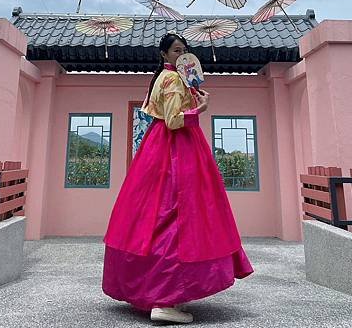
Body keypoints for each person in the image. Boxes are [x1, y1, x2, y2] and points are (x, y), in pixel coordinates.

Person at [102, 33, 254, 324]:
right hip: (175, 149)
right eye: (175, 50)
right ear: (163, 55)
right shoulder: (172, 80)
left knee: (155, 216)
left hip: (157, 148)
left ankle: (158, 292)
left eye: (184, 50)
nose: (181, 54)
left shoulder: (164, 78)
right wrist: (201, 109)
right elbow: (174, 121)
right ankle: (164, 299)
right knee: (176, 216)